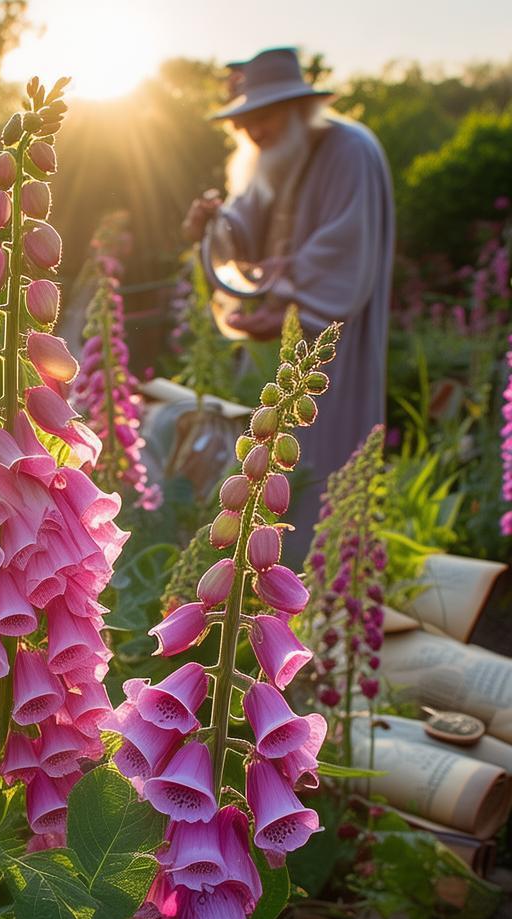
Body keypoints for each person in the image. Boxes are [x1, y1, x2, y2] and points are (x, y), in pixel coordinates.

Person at [183, 47, 394, 563]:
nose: (255, 130)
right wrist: (211, 227)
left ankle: (322, 585)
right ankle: (268, 583)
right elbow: (243, 229)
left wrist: (289, 302)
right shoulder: (272, 158)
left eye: (266, 116)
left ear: (300, 109)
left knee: (325, 460)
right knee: (272, 463)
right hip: (282, 346)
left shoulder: (350, 150)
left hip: (332, 336)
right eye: (246, 120)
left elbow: (345, 246)